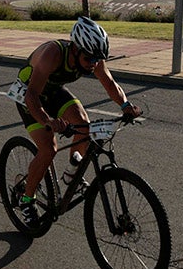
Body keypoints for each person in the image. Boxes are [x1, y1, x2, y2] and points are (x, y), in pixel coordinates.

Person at [8, 16, 140, 226]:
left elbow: (108, 80)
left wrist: (125, 106)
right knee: (48, 149)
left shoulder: (92, 56)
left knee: (84, 126)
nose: (93, 64)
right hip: (30, 95)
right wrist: (48, 121)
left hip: (53, 91)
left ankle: (71, 177)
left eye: (97, 59)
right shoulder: (52, 54)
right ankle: (26, 199)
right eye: (89, 59)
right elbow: (31, 96)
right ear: (76, 49)